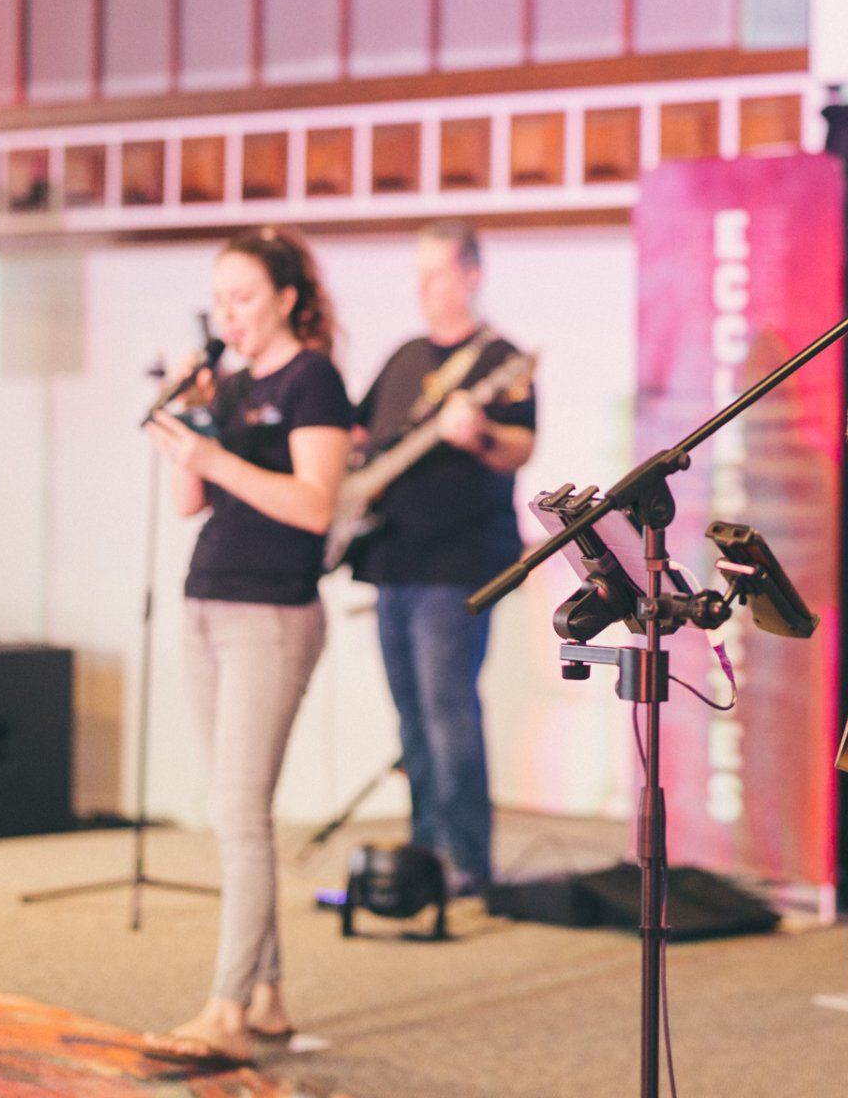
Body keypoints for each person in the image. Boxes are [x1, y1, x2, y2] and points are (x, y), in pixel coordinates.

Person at [142, 228, 353, 1067]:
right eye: (219, 297)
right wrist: (185, 423)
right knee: (235, 808)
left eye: (243, 297)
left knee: (238, 815)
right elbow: (189, 502)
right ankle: (266, 995)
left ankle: (226, 1009)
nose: (228, 313)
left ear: (288, 300)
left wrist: (216, 457)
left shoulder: (315, 381)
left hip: (271, 614)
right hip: (207, 601)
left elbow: (314, 505)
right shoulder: (226, 387)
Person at [351, 220, 536, 897]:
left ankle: (466, 860)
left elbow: (520, 447)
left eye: (436, 274)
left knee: (446, 708)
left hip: (458, 563)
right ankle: (425, 847)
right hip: (392, 560)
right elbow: (361, 430)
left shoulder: (501, 361)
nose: (423, 289)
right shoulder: (404, 356)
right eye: (418, 274)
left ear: (471, 275)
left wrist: (478, 431)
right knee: (409, 713)